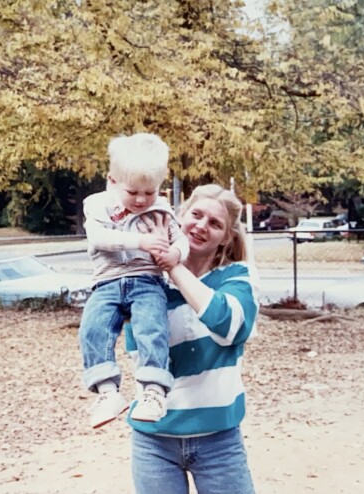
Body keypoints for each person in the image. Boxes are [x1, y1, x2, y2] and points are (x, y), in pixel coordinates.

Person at [126, 183, 257, 494]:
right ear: (180, 215)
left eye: (215, 224)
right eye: (196, 215)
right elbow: (139, 348)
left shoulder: (236, 276)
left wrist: (175, 268)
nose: (201, 226)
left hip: (219, 440)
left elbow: (230, 327)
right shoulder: (146, 281)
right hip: (154, 439)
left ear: (226, 237)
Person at [79, 133, 189, 429]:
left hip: (146, 282)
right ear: (112, 181)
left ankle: (153, 390)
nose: (141, 200)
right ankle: (107, 391)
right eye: (133, 192)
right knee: (93, 328)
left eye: (149, 192)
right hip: (107, 282)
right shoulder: (98, 205)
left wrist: (175, 253)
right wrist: (141, 240)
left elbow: (181, 240)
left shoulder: (162, 209)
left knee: (152, 328)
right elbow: (98, 238)